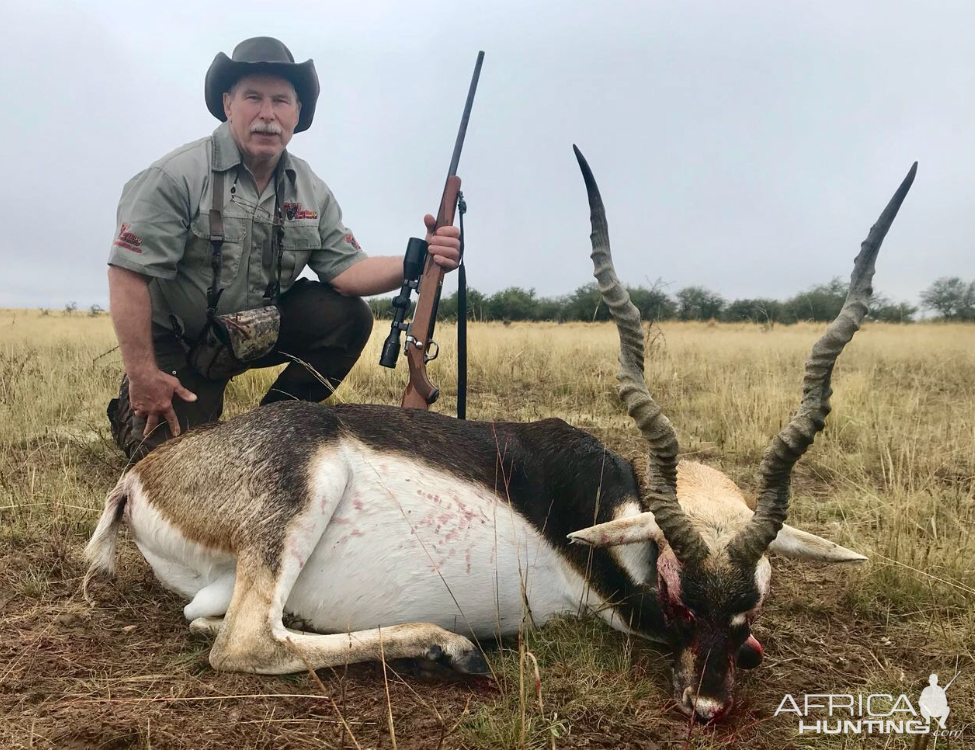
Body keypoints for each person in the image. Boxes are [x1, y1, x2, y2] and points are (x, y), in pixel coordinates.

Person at [107, 37, 460, 460]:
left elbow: (348, 271)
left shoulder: (311, 189)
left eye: (281, 101)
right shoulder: (176, 175)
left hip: (252, 332)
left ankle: (273, 433)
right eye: (253, 97)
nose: (267, 114)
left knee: (347, 317)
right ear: (228, 104)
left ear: (297, 113)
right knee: (176, 465)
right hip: (179, 341)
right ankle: (130, 407)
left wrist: (418, 260)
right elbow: (127, 272)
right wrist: (142, 374)